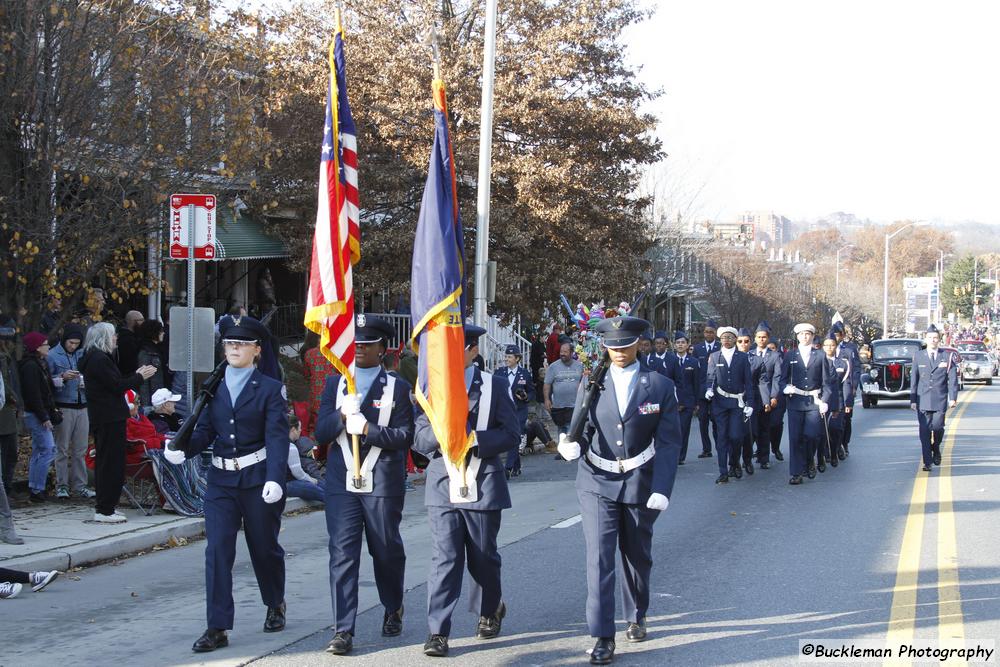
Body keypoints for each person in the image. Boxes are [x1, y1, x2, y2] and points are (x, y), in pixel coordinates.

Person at [556, 316, 681, 665]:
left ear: (638, 344)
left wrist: (662, 487)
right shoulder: (592, 381)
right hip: (597, 479)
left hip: (640, 479)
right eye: (612, 347)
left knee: (636, 555)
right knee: (599, 558)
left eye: (625, 346)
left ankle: (636, 613)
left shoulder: (658, 385)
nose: (619, 353)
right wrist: (572, 444)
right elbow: (582, 423)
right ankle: (602, 635)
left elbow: (669, 442)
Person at [163, 316, 290, 653]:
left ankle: (275, 601)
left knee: (264, 548)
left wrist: (276, 478)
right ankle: (217, 626)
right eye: (230, 343)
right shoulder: (214, 385)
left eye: (242, 343)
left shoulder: (269, 388)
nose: (234, 348)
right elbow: (204, 431)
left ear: (257, 350)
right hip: (220, 481)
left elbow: (277, 438)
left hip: (258, 478)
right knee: (218, 551)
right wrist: (182, 450)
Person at [413, 324, 519, 658]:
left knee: (483, 555)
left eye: (454, 348)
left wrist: (476, 440)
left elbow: (511, 434)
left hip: (482, 479)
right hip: (443, 482)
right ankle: (438, 630)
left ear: (472, 350)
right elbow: (418, 442)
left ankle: (490, 608)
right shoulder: (430, 388)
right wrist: (442, 430)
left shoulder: (494, 386)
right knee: (446, 556)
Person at [314, 314, 415, 656]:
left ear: (382, 349)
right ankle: (343, 628)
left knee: (384, 550)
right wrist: (342, 415)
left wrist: (367, 429)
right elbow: (321, 433)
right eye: (355, 344)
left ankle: (392, 603)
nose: (358, 350)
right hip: (342, 482)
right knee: (342, 554)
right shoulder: (336, 385)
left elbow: (404, 437)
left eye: (366, 345)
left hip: (382, 481)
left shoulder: (397, 388)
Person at [78, 322, 157, 522]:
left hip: (106, 416)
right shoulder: (99, 359)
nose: (116, 339)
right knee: (110, 463)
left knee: (109, 461)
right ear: (104, 337)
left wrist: (136, 375)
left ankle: (107, 506)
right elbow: (116, 386)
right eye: (113, 336)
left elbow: (116, 382)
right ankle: (105, 509)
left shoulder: (98, 358)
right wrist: (139, 376)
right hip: (109, 416)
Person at [780, 323, 832, 485]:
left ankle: (809, 460)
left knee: (812, 435)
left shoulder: (820, 355)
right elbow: (782, 379)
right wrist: (785, 388)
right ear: (797, 336)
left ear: (812, 336)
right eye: (802, 334)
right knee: (795, 438)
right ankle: (796, 472)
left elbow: (827, 382)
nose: (805, 336)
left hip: (813, 401)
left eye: (808, 334)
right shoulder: (790, 356)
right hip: (795, 401)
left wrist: (825, 400)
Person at [47, 323, 93, 499]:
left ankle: (80, 485)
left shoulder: (82, 354)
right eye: (70, 343)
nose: (73, 346)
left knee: (80, 449)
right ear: (64, 340)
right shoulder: (52, 355)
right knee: (62, 448)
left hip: (82, 404)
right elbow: (47, 383)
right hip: (64, 405)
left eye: (76, 343)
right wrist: (62, 378)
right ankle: (62, 485)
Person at [703, 327, 753, 484]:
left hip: (737, 402)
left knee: (736, 436)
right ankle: (723, 471)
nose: (727, 340)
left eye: (730, 337)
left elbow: (748, 382)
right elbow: (710, 377)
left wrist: (749, 403)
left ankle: (734, 462)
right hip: (719, 403)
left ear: (735, 339)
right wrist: (708, 390)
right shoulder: (714, 356)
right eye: (724, 337)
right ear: (720, 339)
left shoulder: (742, 357)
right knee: (722, 438)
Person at [909, 324, 958, 472]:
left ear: (939, 339)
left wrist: (953, 397)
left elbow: (953, 379)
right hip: (922, 399)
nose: (933, 340)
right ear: (926, 339)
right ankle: (927, 461)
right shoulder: (919, 355)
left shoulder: (947, 357)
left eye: (935, 338)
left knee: (938, 428)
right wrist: (912, 400)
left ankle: (935, 447)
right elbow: (914, 379)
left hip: (940, 399)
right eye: (930, 337)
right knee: (924, 430)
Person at [18, 332, 58, 503]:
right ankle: (37, 488)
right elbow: (33, 394)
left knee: (40, 450)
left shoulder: (40, 364)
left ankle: (36, 487)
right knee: (48, 449)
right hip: (36, 413)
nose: (48, 347)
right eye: (45, 344)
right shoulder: (31, 367)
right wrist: (44, 416)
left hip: (38, 412)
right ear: (37, 347)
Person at [735, 328, 769, 477]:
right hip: (733, 399)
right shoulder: (729, 358)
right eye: (740, 341)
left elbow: (762, 382)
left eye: (746, 341)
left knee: (751, 432)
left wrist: (766, 400)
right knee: (735, 434)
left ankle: (747, 460)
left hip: (752, 399)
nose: (743, 344)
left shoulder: (757, 360)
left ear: (751, 342)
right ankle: (734, 462)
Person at [749, 323, 783, 469]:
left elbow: (777, 377)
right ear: (755, 338)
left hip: (767, 396)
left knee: (764, 428)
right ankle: (748, 456)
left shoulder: (775, 356)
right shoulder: (749, 354)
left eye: (764, 337)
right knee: (751, 429)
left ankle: (764, 458)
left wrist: (774, 396)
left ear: (768, 339)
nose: (761, 340)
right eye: (759, 337)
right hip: (751, 396)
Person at [500, 344, 535, 478]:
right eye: (506, 356)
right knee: (511, 438)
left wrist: (526, 397)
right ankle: (516, 466)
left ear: (517, 359)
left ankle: (508, 468)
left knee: (515, 436)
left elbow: (532, 392)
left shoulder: (525, 374)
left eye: (509, 357)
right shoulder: (500, 372)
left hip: (519, 410)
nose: (506, 359)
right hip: (504, 411)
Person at [668, 331, 700, 465]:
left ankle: (680, 456)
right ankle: (672, 453)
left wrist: (697, 403)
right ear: (674, 345)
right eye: (678, 343)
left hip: (687, 401)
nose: (680, 345)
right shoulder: (670, 360)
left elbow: (696, 383)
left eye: (683, 342)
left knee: (684, 428)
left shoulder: (693, 361)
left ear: (687, 345)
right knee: (671, 429)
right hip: (671, 401)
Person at [830, 321, 861, 458]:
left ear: (842, 336)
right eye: (834, 335)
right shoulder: (826, 349)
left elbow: (855, 369)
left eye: (838, 335)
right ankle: (832, 446)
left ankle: (844, 443)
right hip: (831, 391)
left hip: (846, 388)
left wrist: (854, 387)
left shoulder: (849, 349)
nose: (836, 338)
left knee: (846, 419)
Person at [821, 333, 851, 469]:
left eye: (832, 345)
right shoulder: (818, 361)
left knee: (835, 429)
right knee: (821, 429)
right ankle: (824, 453)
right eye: (826, 345)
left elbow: (846, 384)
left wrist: (847, 403)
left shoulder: (843, 363)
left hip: (837, 399)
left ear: (836, 346)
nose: (829, 347)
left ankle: (834, 452)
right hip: (822, 400)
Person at [544, 342, 584, 437]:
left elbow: (584, 382)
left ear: (571, 353)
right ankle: (562, 450)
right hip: (559, 406)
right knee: (561, 430)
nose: (562, 354)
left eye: (565, 352)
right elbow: (547, 384)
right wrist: (546, 399)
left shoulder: (579, 366)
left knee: (571, 430)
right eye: (561, 351)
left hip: (574, 405)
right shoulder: (553, 367)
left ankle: (569, 450)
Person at [692, 320, 720, 459]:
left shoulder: (720, 347)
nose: (709, 334)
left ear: (716, 333)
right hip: (702, 390)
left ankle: (719, 446)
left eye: (711, 332)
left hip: (716, 390)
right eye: (707, 331)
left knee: (716, 420)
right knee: (702, 420)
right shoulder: (698, 348)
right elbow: (696, 371)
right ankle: (706, 449)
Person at [301, 330, 335, 437]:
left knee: (315, 422)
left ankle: (315, 449)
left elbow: (306, 375)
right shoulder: (336, 354)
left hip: (316, 394)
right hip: (332, 394)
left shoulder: (309, 354)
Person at [0, 325, 22, 491]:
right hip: (5, 409)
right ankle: (5, 489)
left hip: (9, 408)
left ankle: (6, 488)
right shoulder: (3, 358)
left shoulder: (7, 357)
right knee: (7, 452)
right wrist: (13, 396)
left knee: (10, 452)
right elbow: (5, 384)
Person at [285, 415, 324, 503]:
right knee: (319, 489)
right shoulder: (290, 447)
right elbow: (298, 473)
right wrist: (311, 480)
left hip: (280, 482)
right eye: (299, 427)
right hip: (288, 484)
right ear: (293, 429)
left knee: (320, 484)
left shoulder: (277, 442)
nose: (300, 430)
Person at [136, 319, 167, 407]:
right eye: (160, 331)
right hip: (153, 399)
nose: (163, 333)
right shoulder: (146, 353)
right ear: (154, 332)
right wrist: (147, 406)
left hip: (157, 395)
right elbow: (143, 382)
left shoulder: (156, 350)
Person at [115, 310, 144, 377]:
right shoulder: (127, 340)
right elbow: (130, 364)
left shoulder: (134, 337)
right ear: (133, 321)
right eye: (141, 320)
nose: (143, 323)